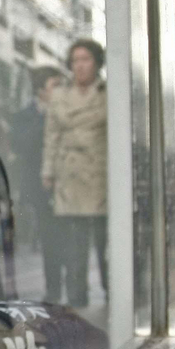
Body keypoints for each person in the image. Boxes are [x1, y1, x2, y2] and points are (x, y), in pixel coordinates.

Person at [42, 39, 108, 308]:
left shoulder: (108, 93)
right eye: (75, 60)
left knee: (106, 240)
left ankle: (114, 292)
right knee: (74, 242)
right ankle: (77, 298)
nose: (79, 66)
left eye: (85, 59)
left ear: (97, 62)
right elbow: (51, 136)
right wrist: (48, 171)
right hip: (69, 174)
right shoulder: (59, 96)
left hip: (101, 174)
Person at [11, 65, 67, 299]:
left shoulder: (69, 111)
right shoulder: (24, 116)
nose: (62, 90)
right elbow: (20, 146)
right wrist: (45, 117)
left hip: (70, 184)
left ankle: (75, 289)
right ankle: (54, 290)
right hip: (41, 187)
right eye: (56, 86)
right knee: (49, 239)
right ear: (41, 90)